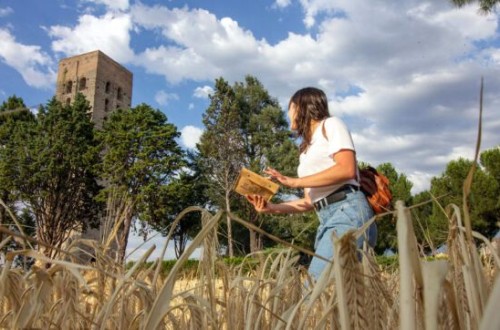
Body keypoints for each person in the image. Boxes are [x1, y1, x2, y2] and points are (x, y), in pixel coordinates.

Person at [246, 87, 377, 280]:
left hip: (348, 211)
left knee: (314, 291)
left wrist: (294, 182)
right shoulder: (305, 151)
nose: (288, 113)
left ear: (301, 107)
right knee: (337, 300)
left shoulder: (331, 125)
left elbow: (346, 169)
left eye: (290, 107)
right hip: (325, 218)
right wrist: (270, 208)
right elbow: (309, 201)